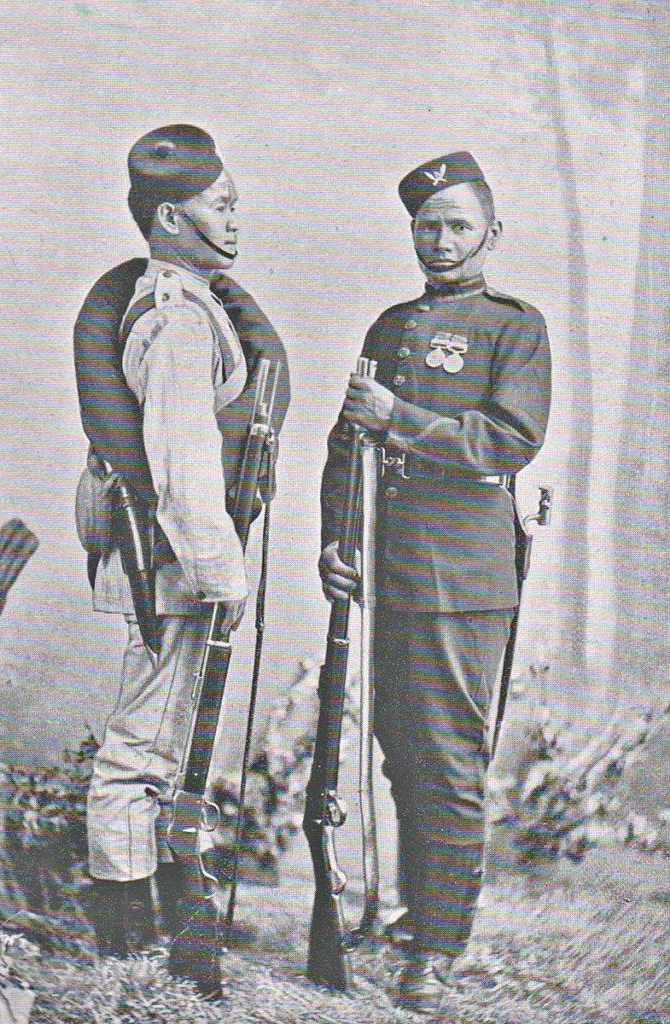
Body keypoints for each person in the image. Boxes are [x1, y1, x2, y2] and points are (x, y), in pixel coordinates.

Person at [319, 151, 551, 1015]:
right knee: (397, 748)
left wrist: (402, 421)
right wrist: (334, 543)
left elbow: (507, 439)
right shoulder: (387, 326)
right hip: (389, 572)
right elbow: (349, 444)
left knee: (449, 763)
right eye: (427, 225)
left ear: (491, 232)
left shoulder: (513, 327)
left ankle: (435, 952)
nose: (441, 240)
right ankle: (420, 912)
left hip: (464, 573)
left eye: (458, 225)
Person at [73, 124, 290, 959]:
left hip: (171, 561)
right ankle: (124, 945)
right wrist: (218, 572)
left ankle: (151, 926)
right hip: (174, 564)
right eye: (220, 204)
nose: (236, 219)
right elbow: (182, 462)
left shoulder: (189, 305)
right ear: (171, 218)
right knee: (141, 750)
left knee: (159, 748)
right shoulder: (179, 321)